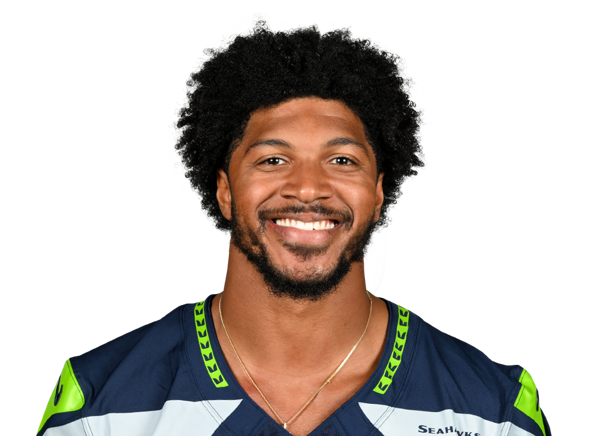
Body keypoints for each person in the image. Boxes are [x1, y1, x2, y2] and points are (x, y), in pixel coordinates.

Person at [37, 19, 551, 436]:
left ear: (377, 193)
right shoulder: (98, 403)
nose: (308, 188)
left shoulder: (493, 411)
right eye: (273, 160)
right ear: (225, 190)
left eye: (342, 160)